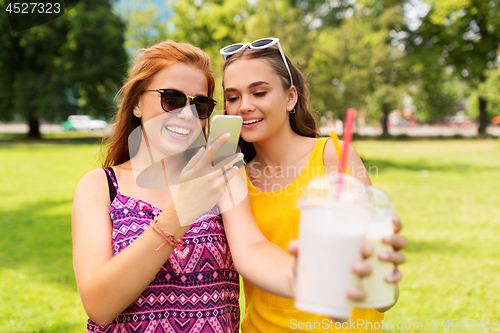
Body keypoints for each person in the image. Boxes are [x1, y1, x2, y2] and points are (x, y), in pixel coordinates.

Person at [72, 40, 372, 333]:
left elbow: (251, 248)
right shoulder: (100, 186)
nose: (186, 115)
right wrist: (180, 212)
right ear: (137, 102)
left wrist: (304, 276)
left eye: (200, 105)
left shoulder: (222, 171)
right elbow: (99, 306)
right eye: (172, 100)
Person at [220, 37, 408, 332]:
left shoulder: (333, 156)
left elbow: (381, 294)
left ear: (290, 97)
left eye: (258, 92)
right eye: (232, 98)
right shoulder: (233, 175)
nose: (244, 106)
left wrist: (378, 272)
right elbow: (251, 249)